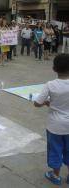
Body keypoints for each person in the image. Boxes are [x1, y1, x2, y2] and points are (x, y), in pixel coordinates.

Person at [34, 54, 69, 186]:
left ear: (54, 69)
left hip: (55, 126)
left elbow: (37, 103)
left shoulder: (50, 85)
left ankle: (55, 175)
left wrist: (47, 103)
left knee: (55, 150)